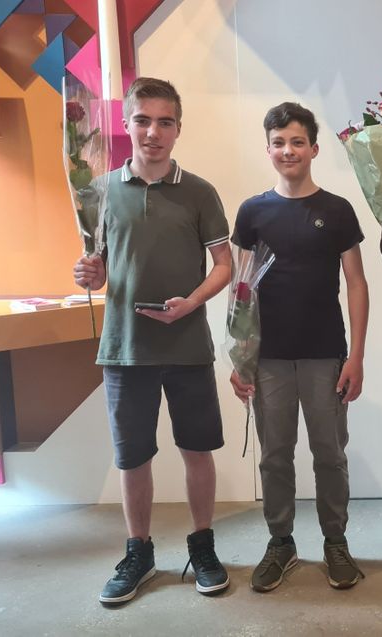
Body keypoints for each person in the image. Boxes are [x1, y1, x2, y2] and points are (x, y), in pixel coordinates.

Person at [73, 77, 232, 606]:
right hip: (124, 349)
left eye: (165, 122)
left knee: (197, 450)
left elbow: (225, 266)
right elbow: (97, 272)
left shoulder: (200, 192)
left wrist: (193, 302)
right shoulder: (97, 193)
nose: (154, 132)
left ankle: (203, 547)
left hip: (187, 347)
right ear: (126, 124)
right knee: (132, 457)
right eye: (143, 120)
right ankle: (138, 553)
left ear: (178, 129)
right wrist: (88, 275)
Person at [229, 102, 369, 592]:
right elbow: (241, 290)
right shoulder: (252, 212)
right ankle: (281, 542)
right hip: (267, 358)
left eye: (296, 141)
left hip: (325, 354)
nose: (287, 150)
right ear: (268, 149)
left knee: (329, 453)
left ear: (313, 147)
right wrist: (241, 356)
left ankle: (336, 542)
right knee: (275, 454)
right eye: (278, 142)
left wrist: (355, 356)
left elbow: (356, 282)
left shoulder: (336, 211)